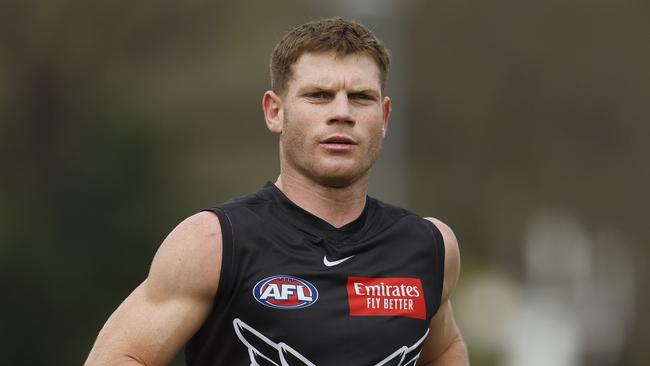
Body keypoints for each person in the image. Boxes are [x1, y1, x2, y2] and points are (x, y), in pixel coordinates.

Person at [85, 17, 468, 365]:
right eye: (318, 95)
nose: (342, 112)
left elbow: (445, 349)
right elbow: (122, 355)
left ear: (383, 118)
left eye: (360, 97)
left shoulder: (430, 246)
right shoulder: (213, 244)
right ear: (275, 112)